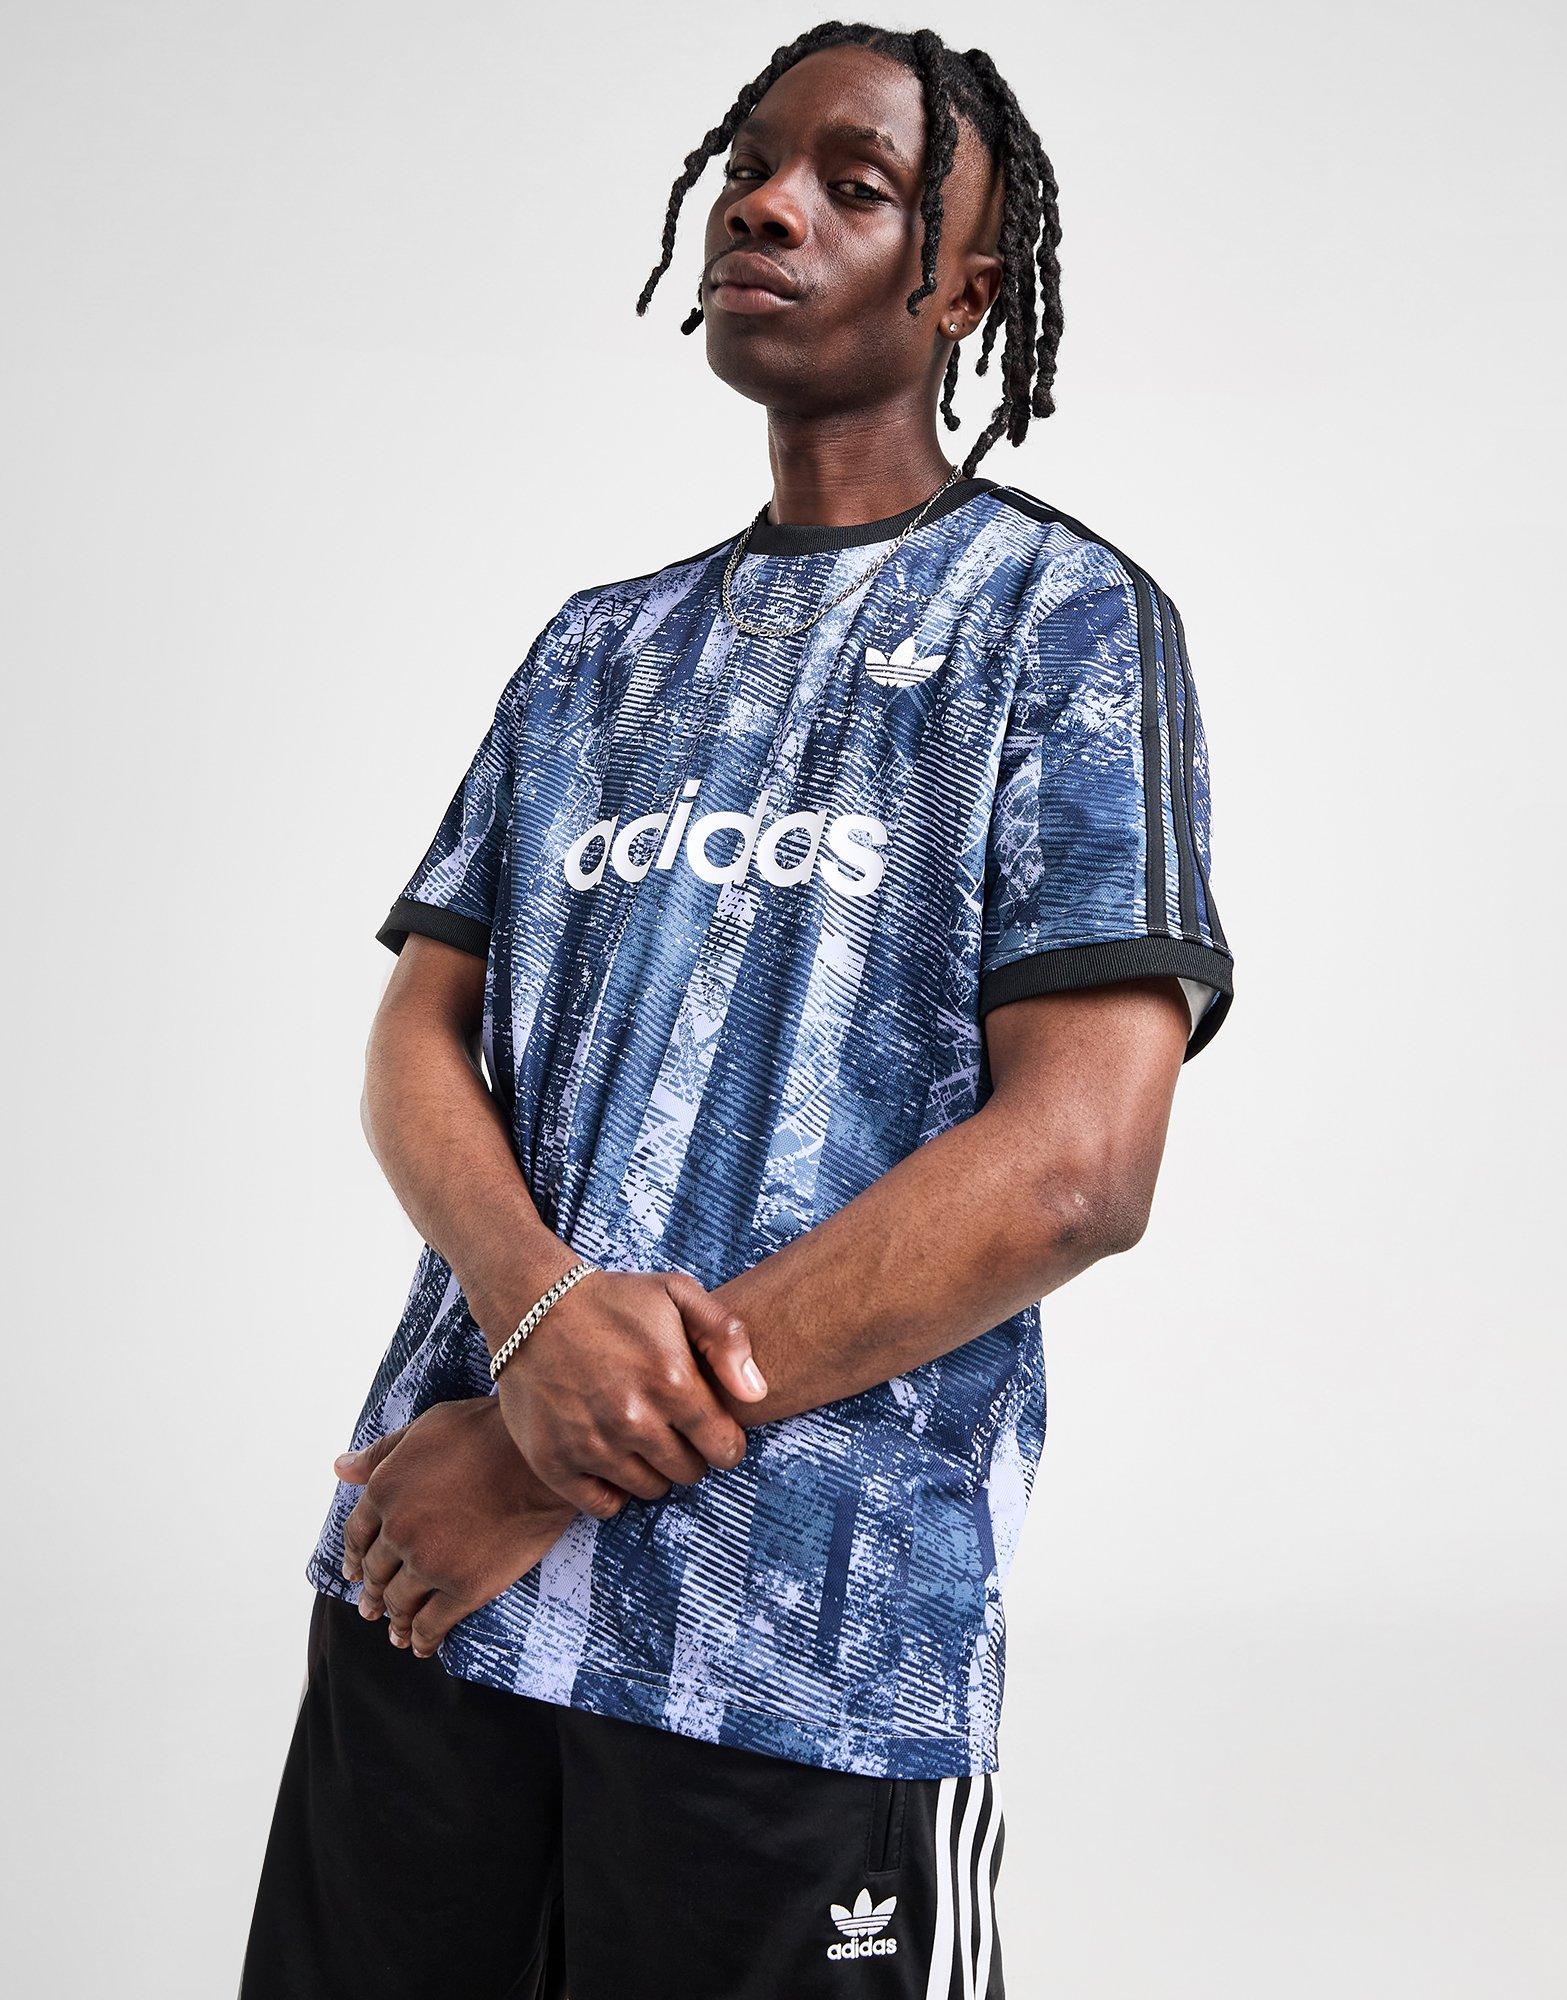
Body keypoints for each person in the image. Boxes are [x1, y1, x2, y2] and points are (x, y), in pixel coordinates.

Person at [240, 21, 1234, 2000]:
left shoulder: (1057, 628)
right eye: (754, 166)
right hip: (432, 1596)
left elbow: (1075, 1166)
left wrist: (548, 1453)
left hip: (790, 1656)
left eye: (854, 186)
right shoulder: (593, 652)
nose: (768, 206)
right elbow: (416, 1038)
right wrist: (531, 1322)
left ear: (963, 291)